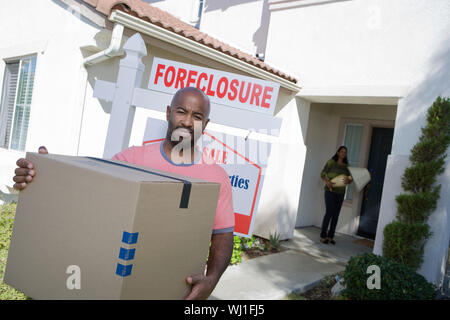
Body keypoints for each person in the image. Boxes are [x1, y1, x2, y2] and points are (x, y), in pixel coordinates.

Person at [12, 87, 234, 300]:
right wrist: (45, 173)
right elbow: (89, 191)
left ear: (205, 125)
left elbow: (223, 235)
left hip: (173, 289)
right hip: (113, 282)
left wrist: (212, 279)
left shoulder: (216, 177)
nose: (187, 122)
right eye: (181, 111)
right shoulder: (132, 159)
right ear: (168, 113)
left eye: (197, 116)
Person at [319, 146, 353, 245]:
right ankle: (323, 236)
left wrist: (349, 180)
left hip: (341, 193)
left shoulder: (346, 166)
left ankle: (330, 236)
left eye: (345, 152)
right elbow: (322, 173)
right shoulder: (331, 162)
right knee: (329, 212)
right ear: (338, 152)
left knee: (336, 215)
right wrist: (327, 181)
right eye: (342, 151)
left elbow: (351, 178)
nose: (343, 153)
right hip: (330, 191)